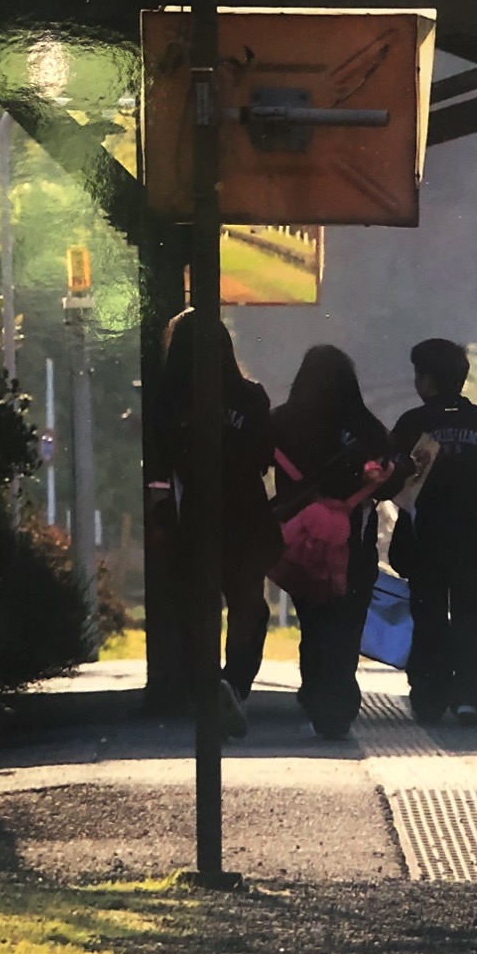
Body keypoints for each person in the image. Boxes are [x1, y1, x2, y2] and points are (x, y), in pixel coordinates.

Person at [155, 310, 282, 740]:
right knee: (249, 605)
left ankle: (207, 689)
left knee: (196, 611)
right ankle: (235, 684)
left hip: (193, 515)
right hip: (245, 513)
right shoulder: (251, 398)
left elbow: (158, 463)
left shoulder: (168, 401)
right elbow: (266, 456)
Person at [388, 338, 477, 726]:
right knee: (473, 618)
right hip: (476, 539)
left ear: (427, 380)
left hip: (424, 539)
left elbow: (391, 473)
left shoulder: (413, 423)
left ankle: (428, 697)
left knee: (427, 617)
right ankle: (469, 699)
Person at [268, 345, 398, 740]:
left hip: (303, 544)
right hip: (352, 543)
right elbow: (389, 482)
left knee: (313, 620)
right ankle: (338, 698)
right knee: (347, 623)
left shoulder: (282, 422)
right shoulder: (366, 427)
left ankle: (314, 691)